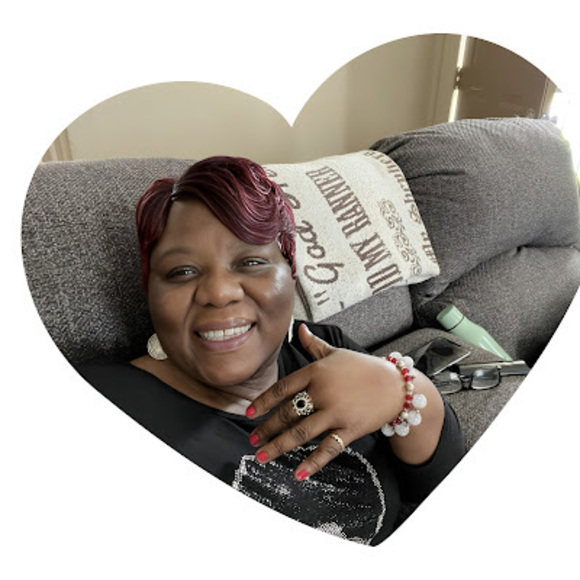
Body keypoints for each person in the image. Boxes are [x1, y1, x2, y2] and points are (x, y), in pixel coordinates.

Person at [78, 156, 465, 546]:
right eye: (182, 271)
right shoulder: (108, 399)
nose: (218, 293)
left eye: (250, 262)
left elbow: (435, 484)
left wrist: (403, 388)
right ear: (150, 292)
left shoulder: (321, 349)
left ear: (291, 273)